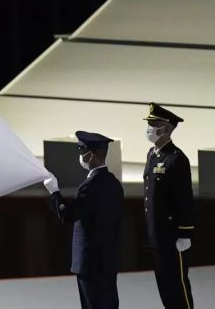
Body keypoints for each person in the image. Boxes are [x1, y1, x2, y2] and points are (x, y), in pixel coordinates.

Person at [43, 131, 124, 309]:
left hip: (90, 263)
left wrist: (54, 192)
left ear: (91, 155)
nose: (80, 155)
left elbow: (68, 215)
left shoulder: (89, 186)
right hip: (108, 260)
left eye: (82, 151)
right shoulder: (114, 183)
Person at [143, 103, 195, 309]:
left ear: (166, 128)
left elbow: (184, 198)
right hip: (156, 235)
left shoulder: (176, 159)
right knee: (164, 286)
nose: (149, 128)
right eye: (149, 123)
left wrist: (185, 233)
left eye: (154, 124)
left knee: (177, 287)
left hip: (173, 236)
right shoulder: (152, 154)